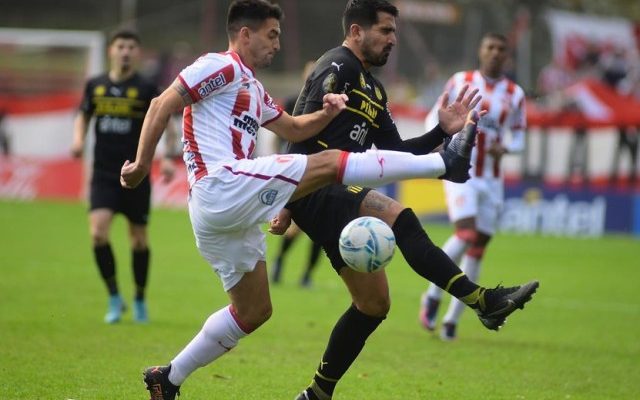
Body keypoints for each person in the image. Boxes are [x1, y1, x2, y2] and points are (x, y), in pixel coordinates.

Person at [120, 1, 492, 399]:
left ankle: (169, 378)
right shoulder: (220, 65)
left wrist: (326, 113)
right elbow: (162, 103)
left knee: (254, 311)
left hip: (221, 214)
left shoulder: (254, 88)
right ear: (245, 34)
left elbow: (295, 126)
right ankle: (444, 165)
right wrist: (142, 164)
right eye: (272, 35)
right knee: (330, 163)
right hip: (220, 184)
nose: (278, 45)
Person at [275, 2, 538, 399]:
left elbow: (397, 150)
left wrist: (439, 131)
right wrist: (286, 198)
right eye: (385, 31)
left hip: (338, 189)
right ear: (357, 31)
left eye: (395, 32)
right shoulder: (337, 66)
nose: (393, 40)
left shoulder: (374, 89)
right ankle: (482, 300)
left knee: (374, 305)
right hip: (318, 186)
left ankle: (316, 393)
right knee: (401, 217)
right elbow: (298, 129)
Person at [420, 33, 527, 341]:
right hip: (460, 171)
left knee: (477, 250)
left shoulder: (515, 94)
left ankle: (452, 321)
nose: (495, 53)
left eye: (500, 50)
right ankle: (432, 296)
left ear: (507, 56)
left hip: (492, 179)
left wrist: (506, 148)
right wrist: (435, 140)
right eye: (490, 48)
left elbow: (519, 136)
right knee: (465, 234)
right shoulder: (460, 80)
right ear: (480, 51)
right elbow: (434, 114)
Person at [71, 29, 177, 324]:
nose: (126, 51)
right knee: (97, 233)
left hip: (136, 174)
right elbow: (83, 115)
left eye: (131, 46)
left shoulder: (146, 87)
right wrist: (78, 141)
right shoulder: (96, 85)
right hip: (104, 173)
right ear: (111, 51)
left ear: (138, 52)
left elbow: (165, 121)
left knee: (139, 240)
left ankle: (140, 298)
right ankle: (115, 297)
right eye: (121, 46)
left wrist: (167, 157)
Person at [271, 60, 324, 287]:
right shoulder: (295, 101)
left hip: (322, 170)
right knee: (297, 224)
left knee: (321, 231)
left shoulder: (328, 104)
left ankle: (306, 275)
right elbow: (278, 136)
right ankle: (280, 261)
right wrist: (277, 162)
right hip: (297, 169)